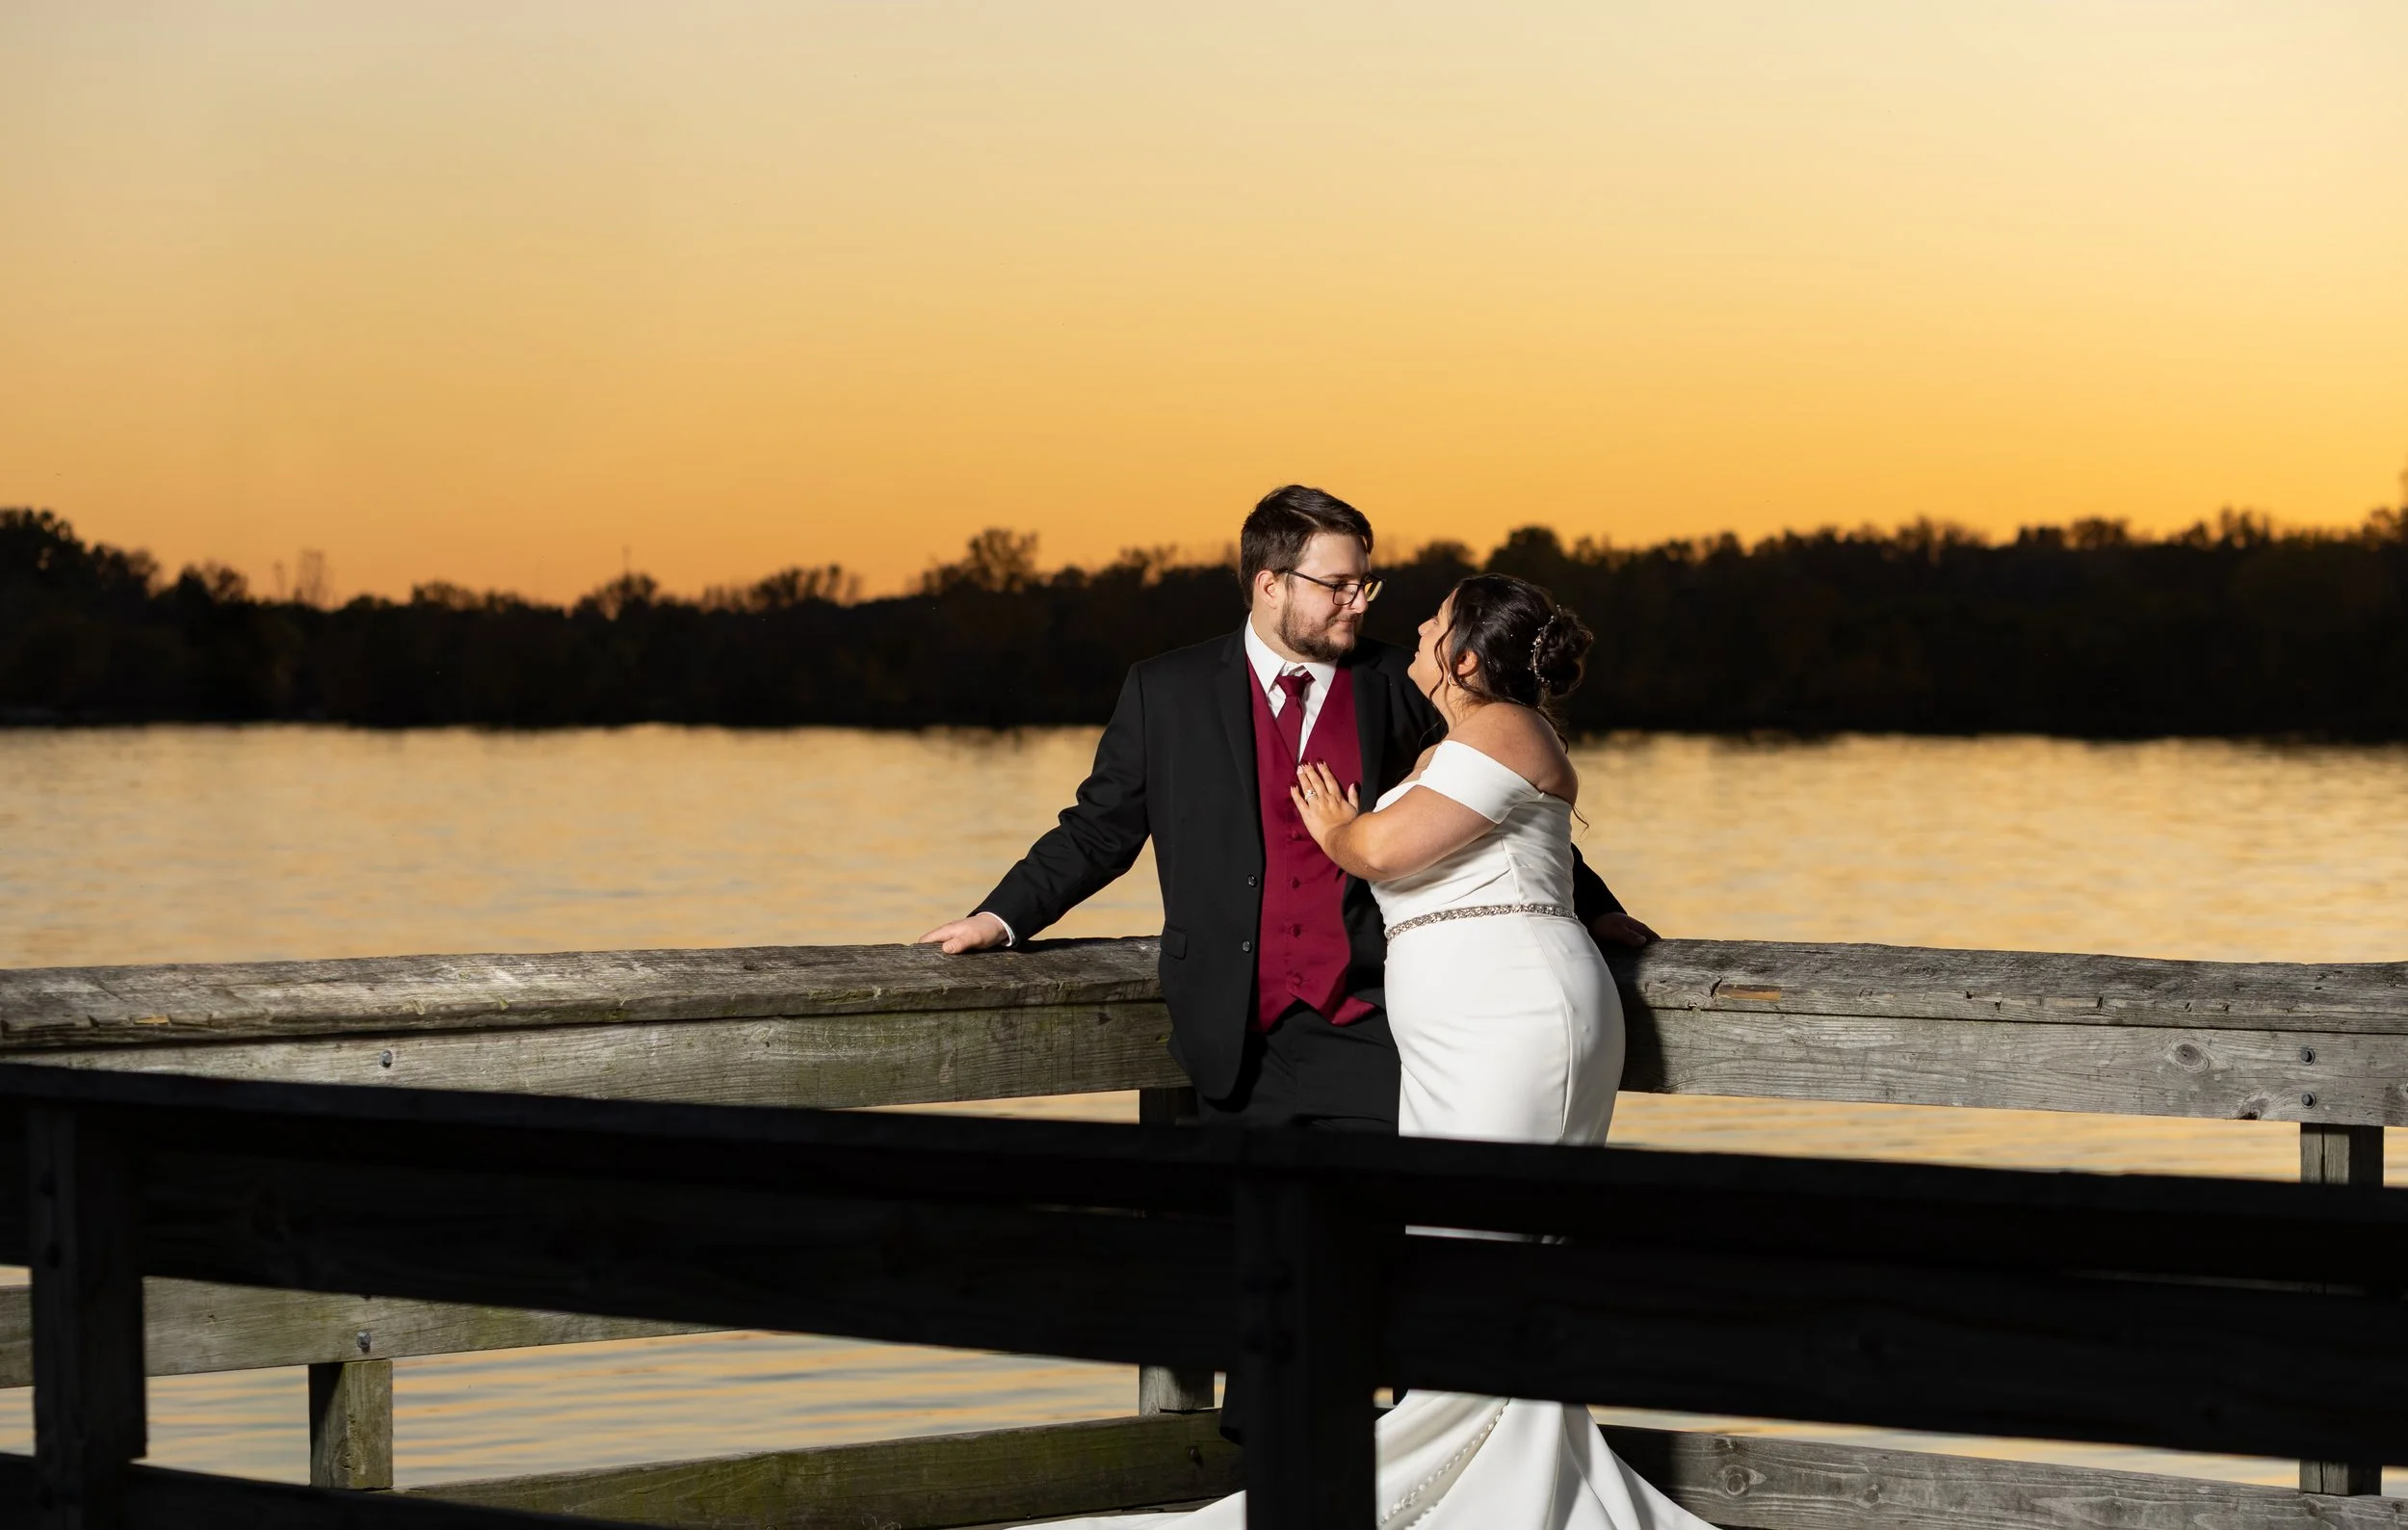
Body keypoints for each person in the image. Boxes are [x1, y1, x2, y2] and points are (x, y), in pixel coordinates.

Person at [919, 485, 1655, 1441]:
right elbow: (1100, 828)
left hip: (1375, 1028)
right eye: (1339, 584)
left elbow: (1499, 800)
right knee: (1259, 1281)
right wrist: (1000, 917)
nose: (1362, 602)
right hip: (1236, 1037)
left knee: (1377, 1274)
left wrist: (1595, 908)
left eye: (1367, 582)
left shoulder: (1402, 681)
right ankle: (1267, 1476)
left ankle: (1391, 1474)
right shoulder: (1166, 688)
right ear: (1268, 583)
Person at [1020, 573, 1709, 1529]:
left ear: (1468, 657)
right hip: (1460, 1039)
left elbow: (1384, 850)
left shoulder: (1506, 727)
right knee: (1458, 1258)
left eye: (1435, 625)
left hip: (1514, 1026)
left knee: (1484, 1256)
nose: (1416, 632)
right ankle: (1505, 1487)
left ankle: (1471, 1497)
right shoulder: (1457, 741)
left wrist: (1340, 826)